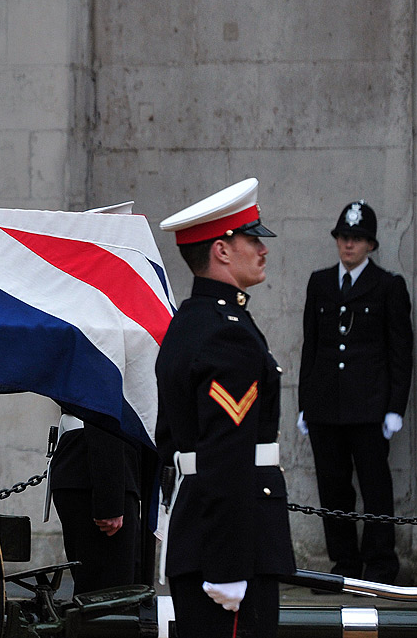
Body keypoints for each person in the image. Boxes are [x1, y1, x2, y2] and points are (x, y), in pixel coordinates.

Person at [155, 178, 294, 637]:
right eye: (253, 238)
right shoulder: (227, 333)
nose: (263, 249)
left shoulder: (190, 323)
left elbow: (171, 442)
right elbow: (225, 451)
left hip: (202, 530)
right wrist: (228, 564)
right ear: (222, 250)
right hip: (232, 544)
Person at [297, 200, 412, 583]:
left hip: (369, 408)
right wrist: (305, 403)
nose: (349, 245)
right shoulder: (320, 283)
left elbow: (400, 352)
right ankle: (343, 567)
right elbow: (310, 346)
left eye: (357, 239)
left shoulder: (388, 287)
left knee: (375, 489)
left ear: (371, 246)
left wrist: (395, 407)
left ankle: (380, 567)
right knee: (334, 491)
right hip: (326, 406)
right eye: (344, 237)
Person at [48, 414, 141, 594]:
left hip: (89, 468)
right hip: (97, 471)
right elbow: (101, 410)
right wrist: (110, 501)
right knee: (108, 596)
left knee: (106, 589)